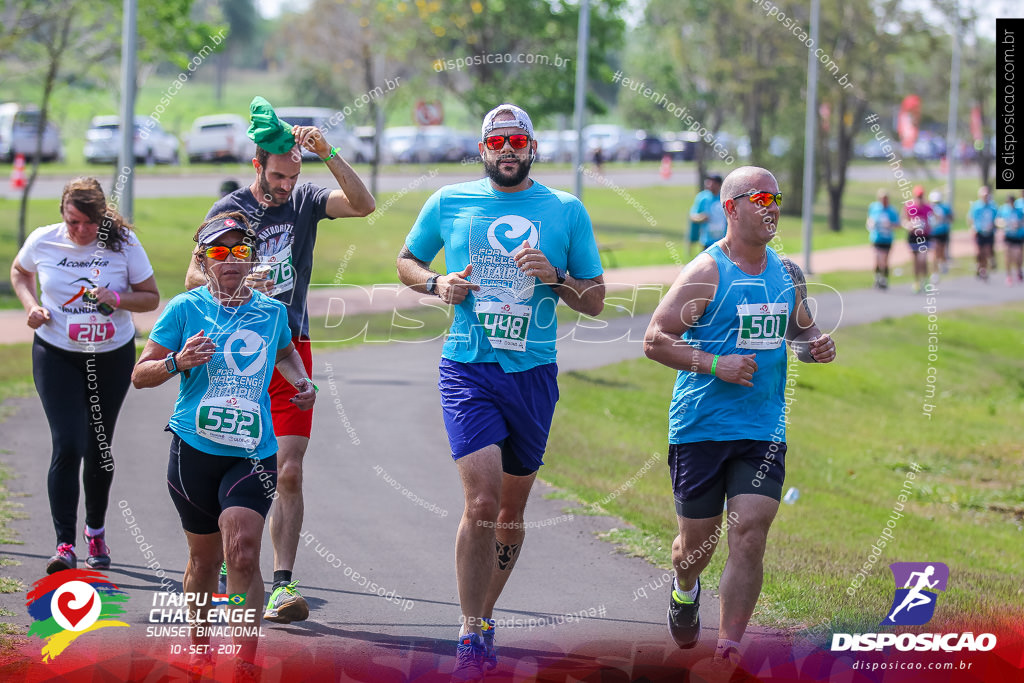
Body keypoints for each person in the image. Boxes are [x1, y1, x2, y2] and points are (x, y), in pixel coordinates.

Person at [396, 103, 605, 680]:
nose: (507, 149)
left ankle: (485, 616)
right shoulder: (450, 202)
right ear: (482, 150)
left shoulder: (565, 211)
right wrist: (439, 283)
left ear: (532, 148)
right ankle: (468, 631)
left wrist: (556, 278)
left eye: (517, 140)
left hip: (533, 374)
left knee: (511, 511)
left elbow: (595, 299)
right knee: (482, 504)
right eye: (496, 141)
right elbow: (407, 261)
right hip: (469, 369)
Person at [185, 97, 375, 623]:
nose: (286, 185)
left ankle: (283, 585)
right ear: (257, 166)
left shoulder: (307, 200)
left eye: (293, 176)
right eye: (277, 176)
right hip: (232, 357)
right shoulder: (229, 213)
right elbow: (189, 278)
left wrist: (329, 152)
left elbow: (363, 205)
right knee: (231, 462)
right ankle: (228, 562)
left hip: (291, 346)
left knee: (288, 471)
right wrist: (238, 279)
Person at [643, 166, 836, 665]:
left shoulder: (787, 273)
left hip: (762, 427)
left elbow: (799, 329)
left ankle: (728, 650)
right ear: (730, 208)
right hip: (701, 427)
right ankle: (685, 587)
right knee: (696, 547)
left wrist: (814, 345)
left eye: (777, 196)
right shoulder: (706, 273)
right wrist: (715, 365)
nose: (772, 206)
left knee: (750, 530)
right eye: (760, 197)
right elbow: (655, 340)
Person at [133, 213, 316, 674]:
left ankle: (243, 661)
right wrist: (178, 361)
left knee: (243, 549)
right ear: (203, 259)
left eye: (239, 252)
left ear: (252, 257)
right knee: (204, 557)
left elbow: (285, 352)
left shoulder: (272, 312)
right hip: (194, 450)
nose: (230, 261)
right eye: (219, 252)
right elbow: (140, 375)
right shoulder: (184, 309)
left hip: (253, 452)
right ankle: (198, 646)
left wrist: (301, 381)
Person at [10, 177, 159, 574]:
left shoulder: (123, 245)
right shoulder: (44, 240)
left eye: (89, 223)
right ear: (62, 214)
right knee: (68, 444)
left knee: (98, 447)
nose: (80, 231)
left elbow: (151, 297)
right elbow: (19, 272)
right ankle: (64, 544)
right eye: (73, 221)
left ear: (101, 218)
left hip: (109, 357)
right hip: (56, 353)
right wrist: (31, 305)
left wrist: (118, 298)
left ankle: (96, 531)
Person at [901, 185, 933, 293]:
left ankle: (925, 280)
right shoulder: (909, 207)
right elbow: (904, 221)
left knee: (923, 259)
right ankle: (916, 281)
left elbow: (933, 220)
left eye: (921, 196)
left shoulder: (928, 207)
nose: (919, 198)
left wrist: (929, 226)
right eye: (918, 196)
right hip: (913, 236)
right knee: (915, 261)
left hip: (924, 236)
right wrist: (909, 225)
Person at [866, 189, 899, 289]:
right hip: (876, 238)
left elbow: (897, 224)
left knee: (885, 260)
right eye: (882, 198)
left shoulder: (892, 210)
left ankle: (884, 279)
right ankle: (877, 277)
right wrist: (870, 224)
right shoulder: (874, 207)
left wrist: (890, 225)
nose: (884, 200)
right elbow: (869, 219)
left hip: (887, 239)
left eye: (885, 199)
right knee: (877, 258)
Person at [690, 173, 726, 254]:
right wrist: (700, 218)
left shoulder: (724, 197)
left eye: (713, 182)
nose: (710, 184)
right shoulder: (702, 198)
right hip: (707, 241)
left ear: (719, 184)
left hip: (724, 240)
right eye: (708, 182)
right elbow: (693, 216)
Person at [967, 186, 998, 281]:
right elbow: (971, 218)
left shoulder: (993, 206)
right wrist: (973, 228)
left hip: (989, 232)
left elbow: (997, 218)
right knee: (979, 252)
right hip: (979, 232)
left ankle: (984, 269)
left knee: (987, 251)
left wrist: (995, 226)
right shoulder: (976, 206)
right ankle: (979, 266)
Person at [996, 194, 1023, 285]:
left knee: (1017, 256)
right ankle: (1009, 275)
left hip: (1017, 236)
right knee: (1007, 255)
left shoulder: (1019, 212)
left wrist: (1018, 225)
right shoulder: (1003, 210)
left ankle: (1018, 271)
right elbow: (998, 221)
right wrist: (1002, 224)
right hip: (1008, 236)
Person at [927, 190, 953, 275]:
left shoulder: (945, 207)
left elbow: (951, 218)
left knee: (942, 250)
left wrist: (946, 220)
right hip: (933, 233)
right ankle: (935, 271)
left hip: (943, 232)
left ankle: (942, 263)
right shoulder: (928, 207)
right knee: (935, 251)